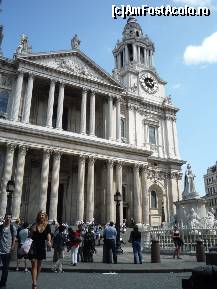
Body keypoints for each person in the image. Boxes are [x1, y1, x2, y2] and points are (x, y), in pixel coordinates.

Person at [29, 211, 51, 289]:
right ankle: (34, 283)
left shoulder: (47, 226)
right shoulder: (34, 225)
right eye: (40, 215)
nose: (42, 216)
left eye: (43, 215)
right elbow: (30, 236)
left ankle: (35, 280)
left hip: (41, 246)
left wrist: (49, 241)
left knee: (39, 265)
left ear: (45, 217)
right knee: (34, 264)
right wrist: (32, 230)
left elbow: (48, 234)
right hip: (34, 245)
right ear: (38, 216)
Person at [0, 214, 16, 288]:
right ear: (4, 218)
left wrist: (12, 247)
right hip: (0, 250)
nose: (8, 219)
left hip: (7, 251)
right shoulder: (0, 227)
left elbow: (14, 238)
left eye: (9, 217)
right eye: (7, 217)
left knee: (5, 269)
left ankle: (3, 282)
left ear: (11, 219)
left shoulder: (13, 228)